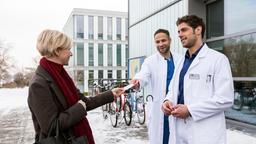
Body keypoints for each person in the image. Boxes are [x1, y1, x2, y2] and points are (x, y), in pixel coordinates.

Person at [27, 29, 124, 144]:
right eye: (68, 49)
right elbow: (51, 127)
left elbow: (84, 102)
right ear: (57, 51)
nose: (71, 53)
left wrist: (111, 94)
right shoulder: (39, 84)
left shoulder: (61, 76)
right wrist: (79, 108)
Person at [162, 15, 234, 144]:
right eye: (178, 31)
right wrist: (167, 101)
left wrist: (190, 110)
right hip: (179, 128)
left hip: (205, 132)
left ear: (198, 30)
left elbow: (225, 99)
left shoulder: (218, 59)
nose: (179, 34)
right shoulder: (181, 62)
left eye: (184, 30)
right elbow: (173, 88)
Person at [130, 29, 182, 144]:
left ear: (170, 40)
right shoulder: (150, 61)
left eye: (163, 40)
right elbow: (143, 74)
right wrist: (137, 81)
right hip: (161, 110)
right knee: (162, 139)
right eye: (157, 42)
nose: (161, 44)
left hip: (178, 108)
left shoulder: (180, 59)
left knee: (178, 138)